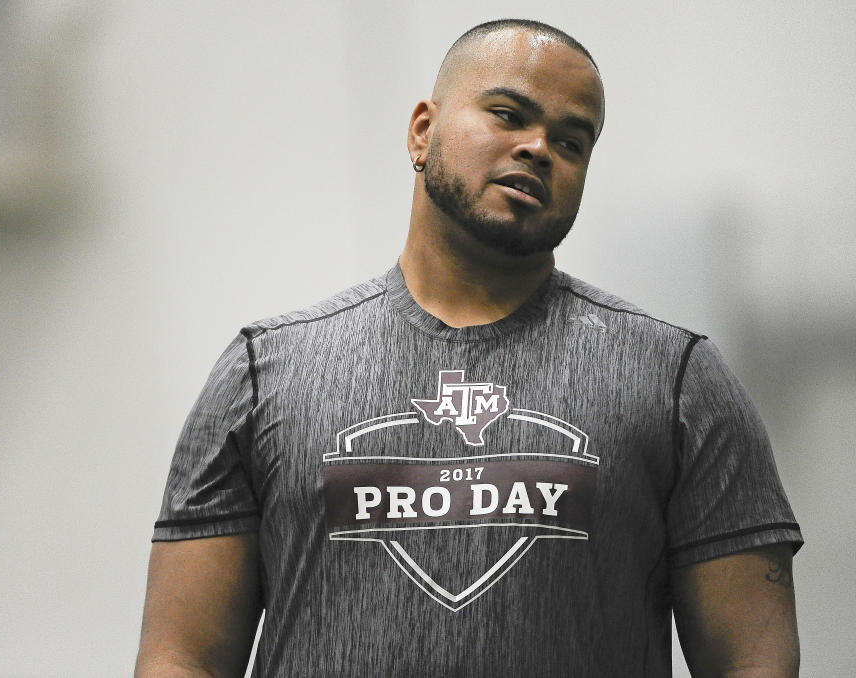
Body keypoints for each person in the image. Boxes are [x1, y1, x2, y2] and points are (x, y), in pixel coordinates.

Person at [135, 19, 803, 678]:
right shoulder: (264, 372)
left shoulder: (677, 379)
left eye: (571, 142)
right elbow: (181, 658)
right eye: (508, 114)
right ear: (423, 131)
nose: (539, 148)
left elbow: (754, 662)